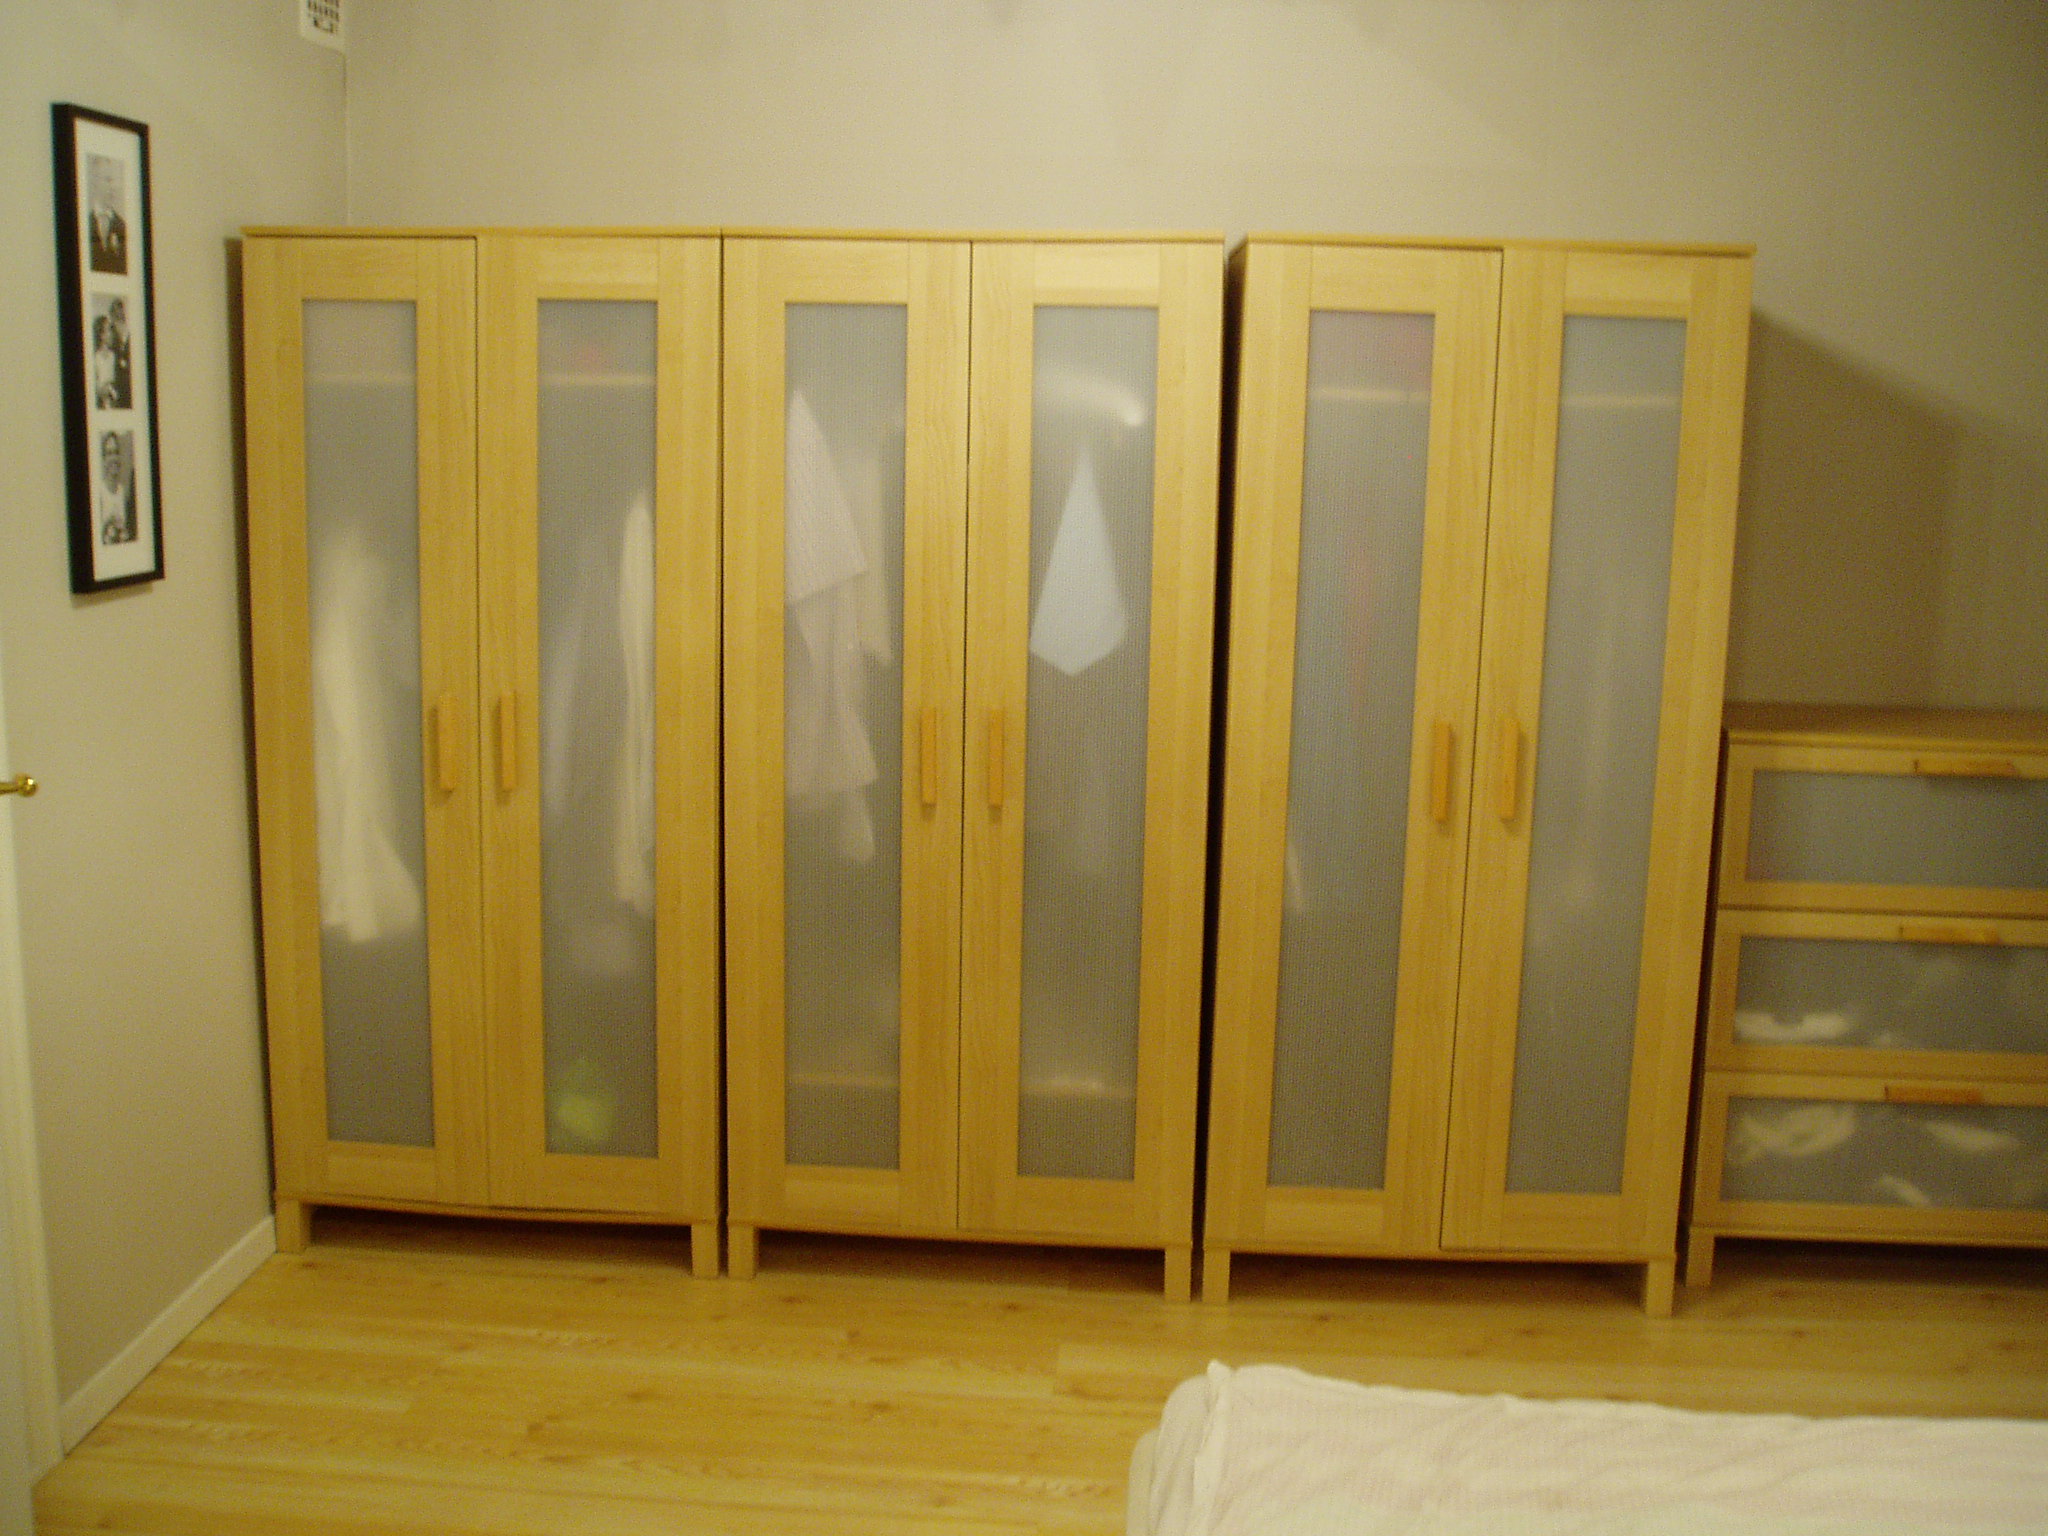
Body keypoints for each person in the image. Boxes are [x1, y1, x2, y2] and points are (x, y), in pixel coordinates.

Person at [97, 430, 135, 545]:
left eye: (116, 452)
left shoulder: (122, 491)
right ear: (103, 459)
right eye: (109, 453)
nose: (113, 457)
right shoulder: (100, 492)